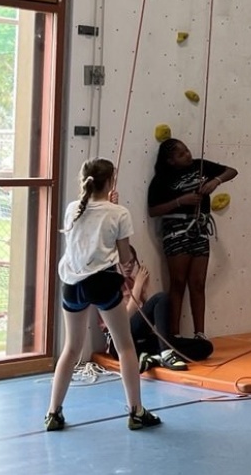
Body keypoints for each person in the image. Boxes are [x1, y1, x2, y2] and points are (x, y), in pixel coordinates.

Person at [45, 159, 162, 432]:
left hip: (72, 284)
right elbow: (124, 257)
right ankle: (136, 411)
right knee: (125, 346)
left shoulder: (73, 208)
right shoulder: (119, 213)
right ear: (110, 181)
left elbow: (90, 225)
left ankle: (53, 412)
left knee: (71, 348)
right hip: (102, 282)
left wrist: (109, 206)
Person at [146, 138, 238, 339]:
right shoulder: (162, 179)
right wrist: (180, 201)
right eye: (181, 154)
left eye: (186, 150)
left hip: (199, 228)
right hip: (176, 230)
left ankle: (200, 334)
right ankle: (174, 335)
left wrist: (215, 181)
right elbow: (153, 210)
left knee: (197, 283)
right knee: (178, 282)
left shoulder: (199, 166)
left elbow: (232, 171)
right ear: (170, 161)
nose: (187, 155)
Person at [105, 255, 214, 372]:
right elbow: (123, 320)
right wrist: (137, 287)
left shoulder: (133, 281)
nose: (129, 266)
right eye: (124, 262)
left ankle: (156, 358)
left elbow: (152, 314)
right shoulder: (111, 285)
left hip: (143, 342)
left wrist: (145, 289)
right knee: (161, 297)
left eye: (132, 262)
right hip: (120, 341)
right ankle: (166, 352)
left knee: (205, 346)